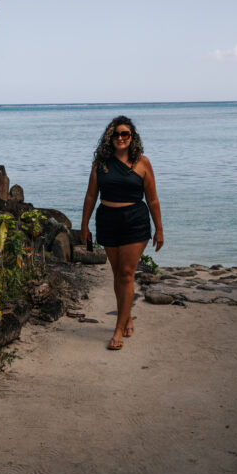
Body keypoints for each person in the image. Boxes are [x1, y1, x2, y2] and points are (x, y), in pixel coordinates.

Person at [81, 115, 164, 350]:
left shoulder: (143, 163)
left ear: (132, 137)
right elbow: (90, 196)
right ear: (110, 137)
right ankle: (126, 317)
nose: (120, 138)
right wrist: (85, 225)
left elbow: (153, 199)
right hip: (107, 219)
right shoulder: (101, 164)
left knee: (127, 273)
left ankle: (118, 328)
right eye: (116, 134)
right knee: (118, 274)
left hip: (135, 221)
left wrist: (159, 229)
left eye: (125, 134)